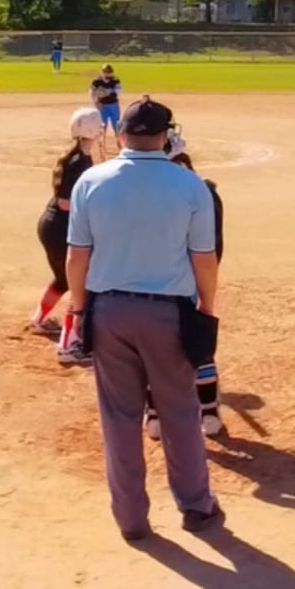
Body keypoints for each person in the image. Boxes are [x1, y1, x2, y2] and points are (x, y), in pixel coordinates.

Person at [66, 96, 224, 540]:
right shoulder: (190, 186)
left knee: (119, 417)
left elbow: (77, 257)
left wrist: (79, 308)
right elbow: (204, 259)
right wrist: (207, 309)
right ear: (166, 137)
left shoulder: (91, 181)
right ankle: (196, 506)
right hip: (169, 313)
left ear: (121, 135)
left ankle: (131, 519)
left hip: (109, 311)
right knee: (180, 412)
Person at [145, 130, 225, 439]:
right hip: (189, 282)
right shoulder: (203, 191)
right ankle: (209, 413)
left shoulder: (145, 192)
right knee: (199, 346)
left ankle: (155, 415)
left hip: (152, 284)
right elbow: (213, 248)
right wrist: (206, 291)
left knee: (153, 350)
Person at [27, 107, 104, 356]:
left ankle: (39, 320)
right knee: (79, 285)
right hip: (61, 227)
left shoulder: (73, 156)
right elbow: (65, 203)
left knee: (63, 279)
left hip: (52, 225)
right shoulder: (80, 162)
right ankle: (69, 343)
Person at [90, 64, 124, 150]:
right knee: (102, 126)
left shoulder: (115, 80)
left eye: (109, 72)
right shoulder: (96, 81)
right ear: (102, 72)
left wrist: (107, 93)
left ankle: (119, 142)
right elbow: (92, 93)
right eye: (106, 72)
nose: (108, 74)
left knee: (116, 125)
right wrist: (96, 103)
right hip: (102, 106)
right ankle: (102, 144)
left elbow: (118, 92)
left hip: (113, 105)